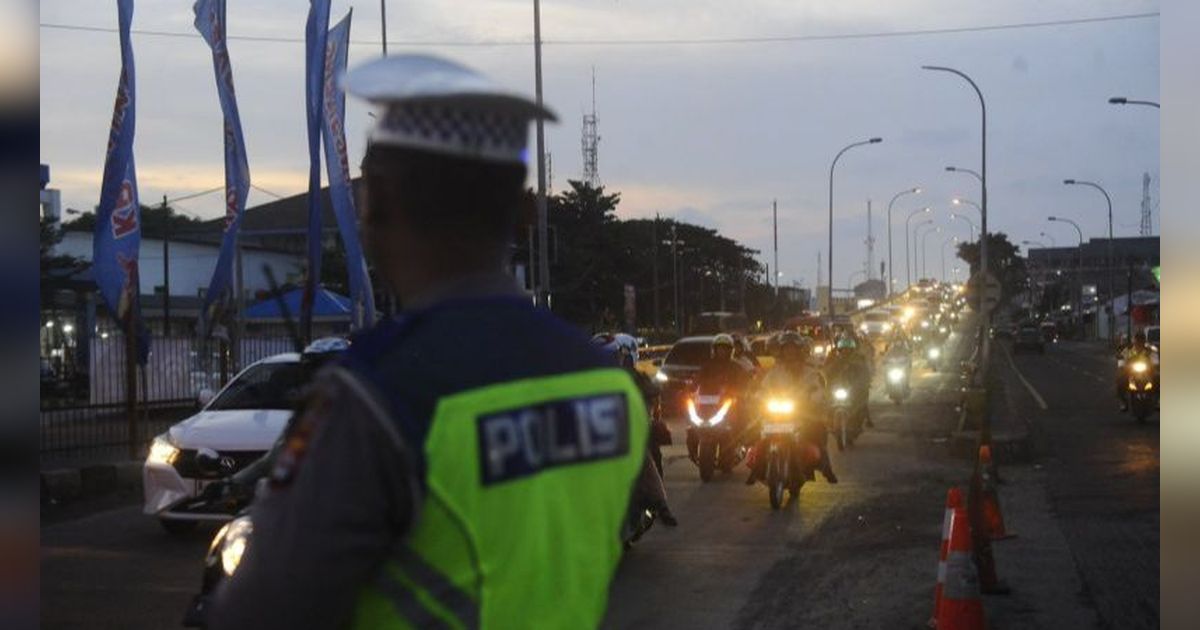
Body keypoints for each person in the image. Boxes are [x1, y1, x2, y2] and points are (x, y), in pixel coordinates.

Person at [209, 54, 648, 630]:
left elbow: (257, 612)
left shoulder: (379, 395)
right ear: (525, 213)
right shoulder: (607, 382)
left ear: (377, 202)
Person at [591, 333, 678, 526]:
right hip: (598, 435)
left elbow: (652, 391)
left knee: (645, 459)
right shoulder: (585, 379)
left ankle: (661, 505)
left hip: (628, 431)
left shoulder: (634, 376)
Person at [744, 332, 837, 486]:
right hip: (777, 414)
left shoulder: (811, 372)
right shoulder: (775, 372)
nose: (790, 352)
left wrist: (813, 399)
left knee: (818, 433)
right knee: (756, 434)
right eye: (787, 349)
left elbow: (818, 390)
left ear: (800, 351)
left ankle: (827, 469)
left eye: (793, 349)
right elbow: (763, 389)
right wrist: (758, 397)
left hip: (803, 414)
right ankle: (756, 469)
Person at [686, 334, 754, 461]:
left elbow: (746, 382)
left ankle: (739, 444)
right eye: (719, 348)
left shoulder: (736, 367)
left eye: (725, 349)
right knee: (691, 427)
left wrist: (742, 393)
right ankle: (693, 450)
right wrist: (690, 390)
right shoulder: (707, 366)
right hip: (707, 404)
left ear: (730, 350)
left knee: (743, 416)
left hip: (729, 403)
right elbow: (697, 380)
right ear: (714, 350)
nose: (722, 351)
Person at [823, 335, 873, 428]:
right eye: (843, 349)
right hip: (838, 387)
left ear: (852, 350)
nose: (846, 351)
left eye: (848, 349)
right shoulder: (834, 359)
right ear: (840, 350)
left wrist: (864, 382)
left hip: (854, 387)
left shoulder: (859, 359)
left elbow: (866, 372)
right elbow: (827, 371)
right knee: (826, 401)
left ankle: (867, 418)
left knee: (862, 399)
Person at [1116, 330, 1155, 411]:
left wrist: (1156, 365)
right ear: (1134, 340)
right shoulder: (1129, 350)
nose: (1139, 342)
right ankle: (1123, 402)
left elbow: (1155, 359)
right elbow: (1121, 358)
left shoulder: (1149, 350)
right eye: (1138, 339)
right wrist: (1121, 365)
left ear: (1144, 340)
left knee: (1158, 378)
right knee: (1120, 380)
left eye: (1141, 339)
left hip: (1147, 372)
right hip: (1131, 372)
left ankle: (1158, 401)